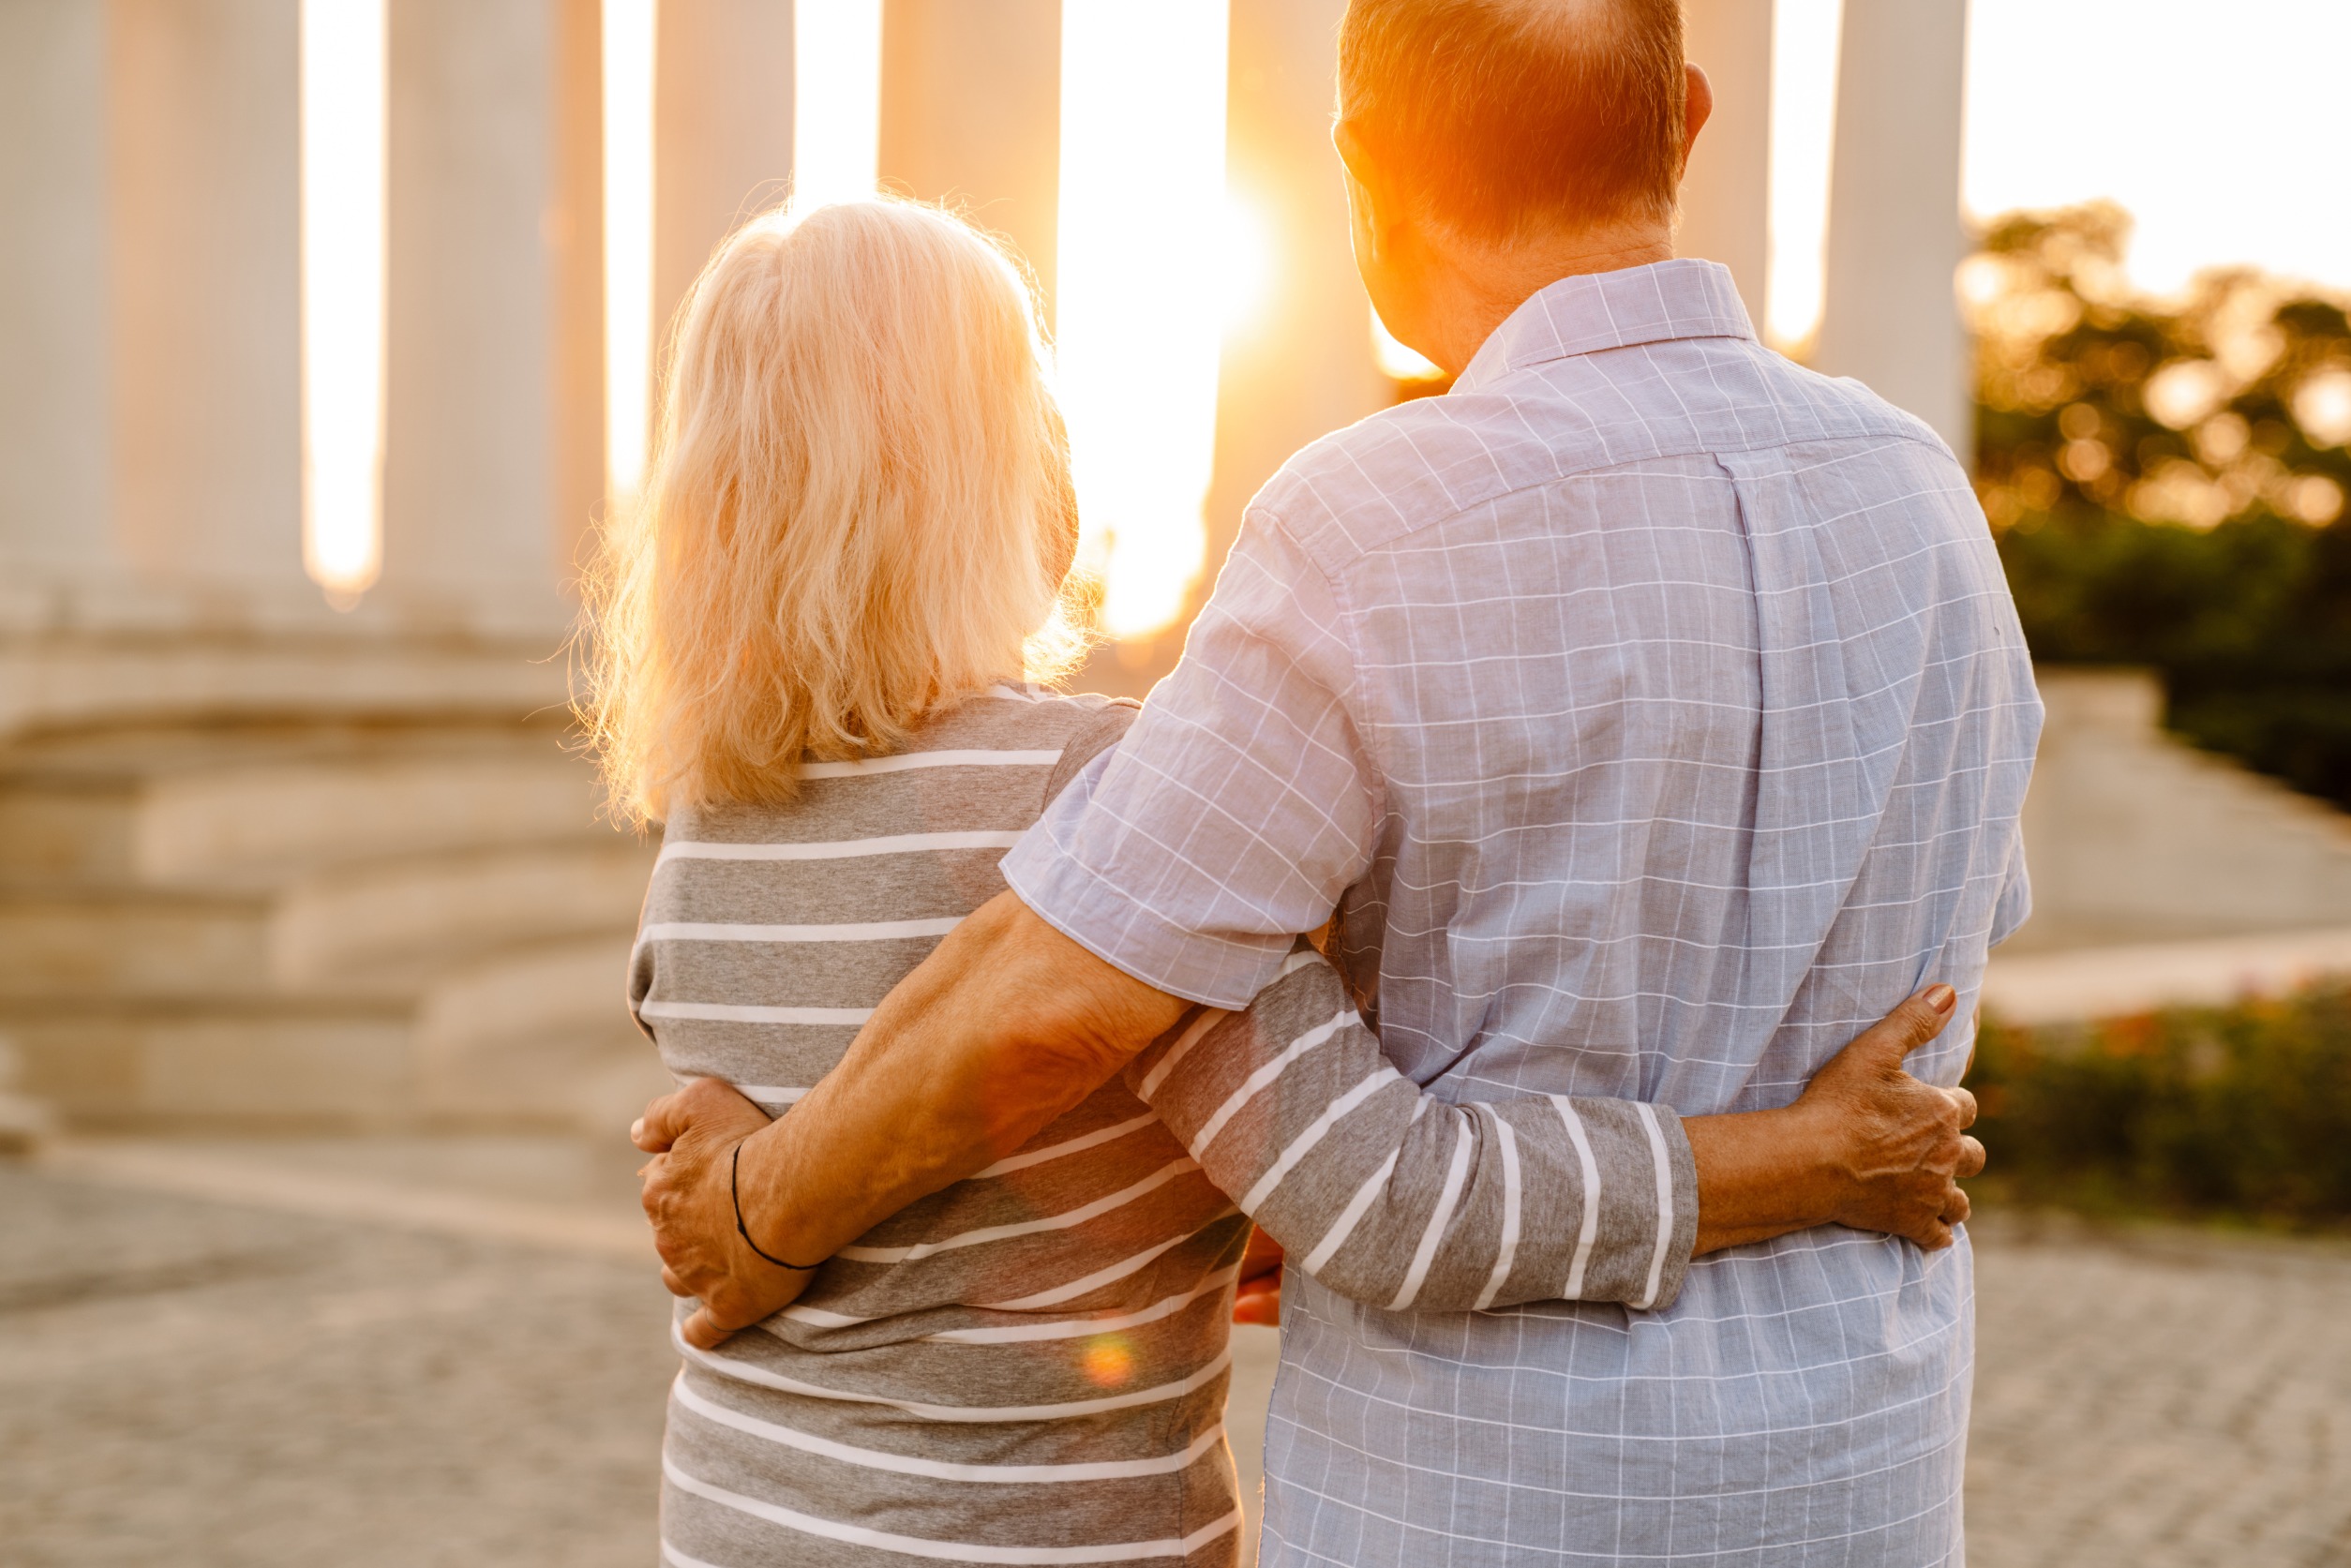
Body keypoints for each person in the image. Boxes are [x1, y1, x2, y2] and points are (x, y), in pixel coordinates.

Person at [608, 194, 1987, 1568]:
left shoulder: (704, 825)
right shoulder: (1095, 798)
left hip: (732, 1520)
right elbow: (1395, 1200)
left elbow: (951, 1211)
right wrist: (1805, 1163)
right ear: (1006, 463)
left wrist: (1197, 1210)